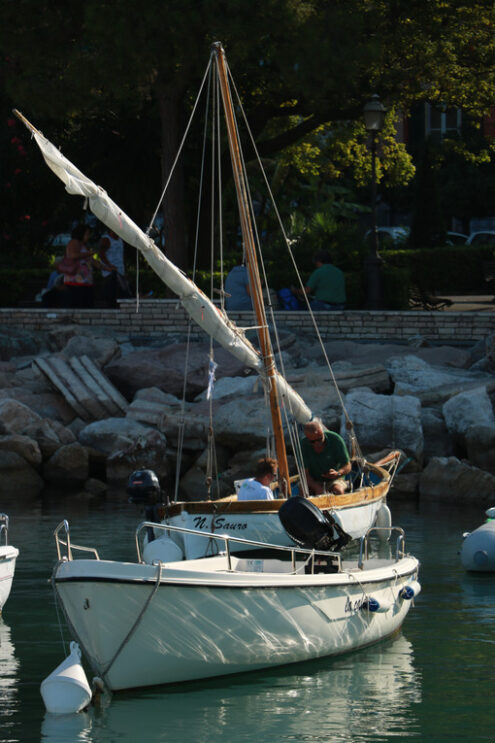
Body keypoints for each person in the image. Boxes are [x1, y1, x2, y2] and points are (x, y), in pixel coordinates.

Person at [61, 224, 112, 308]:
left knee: (87, 306)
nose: (88, 236)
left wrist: (107, 268)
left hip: (86, 283)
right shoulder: (74, 242)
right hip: (75, 283)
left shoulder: (85, 246)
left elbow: (92, 261)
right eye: (87, 234)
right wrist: (88, 253)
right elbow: (71, 255)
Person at [300, 419, 351, 495]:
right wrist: (317, 487)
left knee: (338, 491)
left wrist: (338, 473)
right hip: (313, 480)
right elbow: (305, 474)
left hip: (335, 479)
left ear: (322, 432)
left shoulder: (336, 440)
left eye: (320, 439)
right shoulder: (303, 445)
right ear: (307, 438)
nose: (317, 443)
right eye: (312, 441)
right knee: (304, 493)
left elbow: (348, 466)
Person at [98, 229, 131, 306]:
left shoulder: (120, 240)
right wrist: (109, 265)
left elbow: (122, 256)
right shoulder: (106, 239)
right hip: (110, 273)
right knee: (111, 295)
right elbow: (101, 254)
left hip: (120, 272)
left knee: (122, 294)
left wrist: (124, 271)